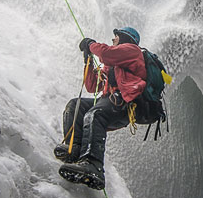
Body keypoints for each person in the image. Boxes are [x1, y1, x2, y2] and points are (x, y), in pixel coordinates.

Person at [55, 26, 146, 189]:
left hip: (124, 104)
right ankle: (73, 148)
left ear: (125, 38)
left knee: (95, 113)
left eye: (116, 37)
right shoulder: (114, 65)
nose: (113, 39)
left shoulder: (132, 51)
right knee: (76, 105)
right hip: (111, 101)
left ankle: (93, 165)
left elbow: (106, 53)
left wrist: (91, 44)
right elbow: (91, 86)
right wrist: (88, 61)